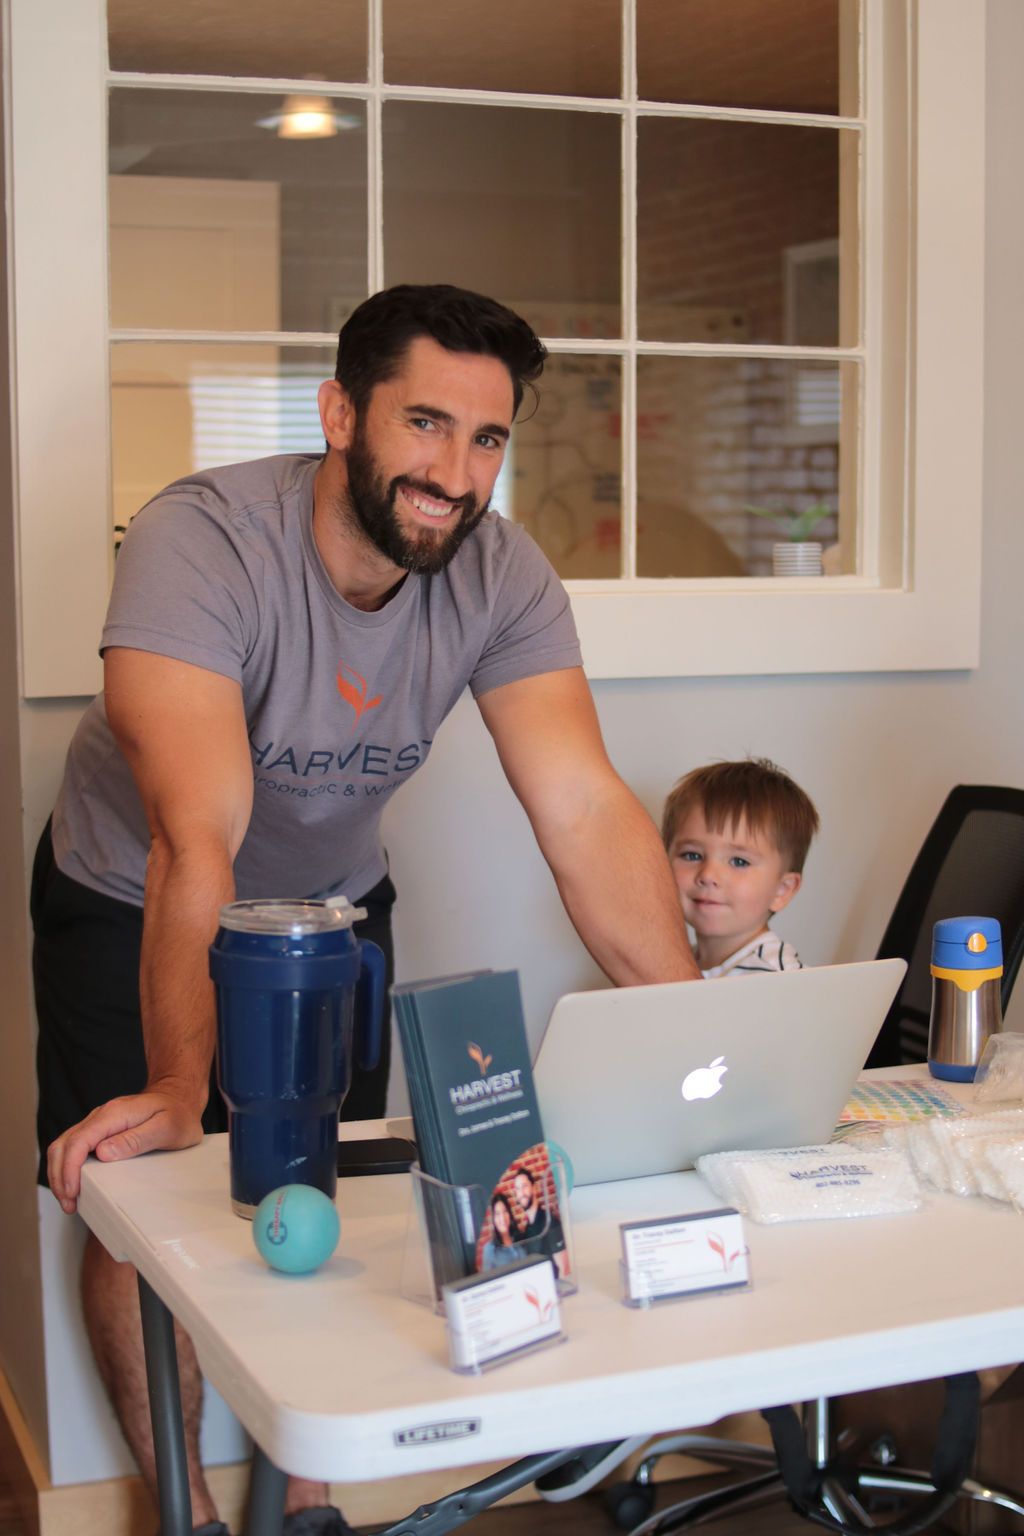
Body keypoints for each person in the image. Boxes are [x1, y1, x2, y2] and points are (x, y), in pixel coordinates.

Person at [35, 284, 700, 1536]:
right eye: (426, 425)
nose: (455, 472)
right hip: (136, 890)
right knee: (143, 1206)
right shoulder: (204, 539)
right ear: (341, 413)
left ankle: (304, 1503)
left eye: (489, 439)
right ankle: (178, 1509)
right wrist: (185, 1086)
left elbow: (584, 808)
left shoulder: (501, 575)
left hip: (327, 907)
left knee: (321, 1185)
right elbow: (199, 834)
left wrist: (689, 1040)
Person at [661, 758, 819, 979]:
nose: (708, 875)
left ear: (781, 890)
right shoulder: (674, 963)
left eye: (739, 862)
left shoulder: (776, 978)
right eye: (692, 855)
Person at [511, 1164, 568, 1279]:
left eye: (524, 1186)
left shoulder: (550, 1222)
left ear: (534, 1188)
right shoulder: (527, 1228)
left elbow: (565, 1269)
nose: (521, 1193)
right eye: (518, 1189)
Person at [478, 1191, 528, 1272]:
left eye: (505, 1211)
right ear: (493, 1219)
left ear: (509, 1214)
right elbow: (488, 1280)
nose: (502, 1217)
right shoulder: (490, 1249)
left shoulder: (520, 1238)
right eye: (497, 1214)